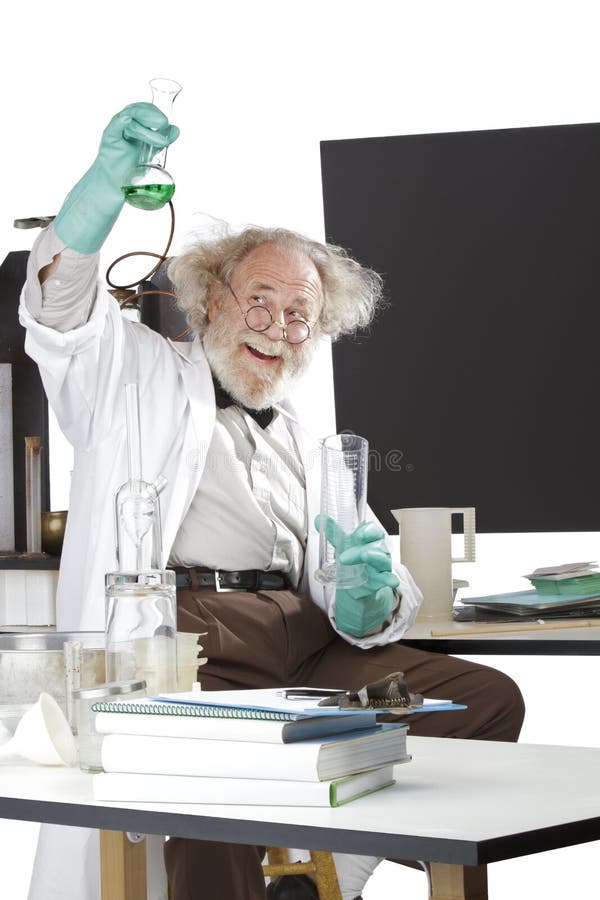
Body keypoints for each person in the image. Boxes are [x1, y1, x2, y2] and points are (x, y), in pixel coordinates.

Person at [20, 102, 525, 900]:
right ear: (211, 300)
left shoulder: (308, 439)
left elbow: (368, 600)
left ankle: (333, 873)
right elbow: (60, 310)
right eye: (261, 300)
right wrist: (104, 187)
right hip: (196, 648)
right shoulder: (132, 379)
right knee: (208, 790)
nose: (278, 327)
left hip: (306, 645)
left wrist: (371, 597)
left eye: (301, 315)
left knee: (484, 701)